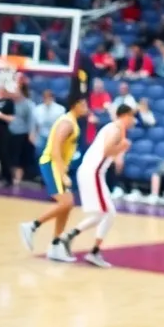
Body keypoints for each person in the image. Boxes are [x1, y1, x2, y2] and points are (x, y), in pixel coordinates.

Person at [63, 104, 135, 268]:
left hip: (93, 172)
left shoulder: (113, 127)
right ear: (126, 116)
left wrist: (119, 153)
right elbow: (106, 151)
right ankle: (70, 239)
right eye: (132, 117)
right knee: (104, 213)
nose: (133, 121)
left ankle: (92, 250)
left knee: (107, 214)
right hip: (93, 172)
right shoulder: (115, 130)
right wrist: (121, 149)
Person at [18, 96, 89, 262]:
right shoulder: (67, 123)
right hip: (51, 164)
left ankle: (56, 246)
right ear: (75, 105)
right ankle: (32, 226)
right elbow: (56, 147)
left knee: (67, 205)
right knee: (66, 202)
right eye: (83, 104)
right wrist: (62, 173)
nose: (86, 107)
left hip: (57, 165)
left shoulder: (72, 121)